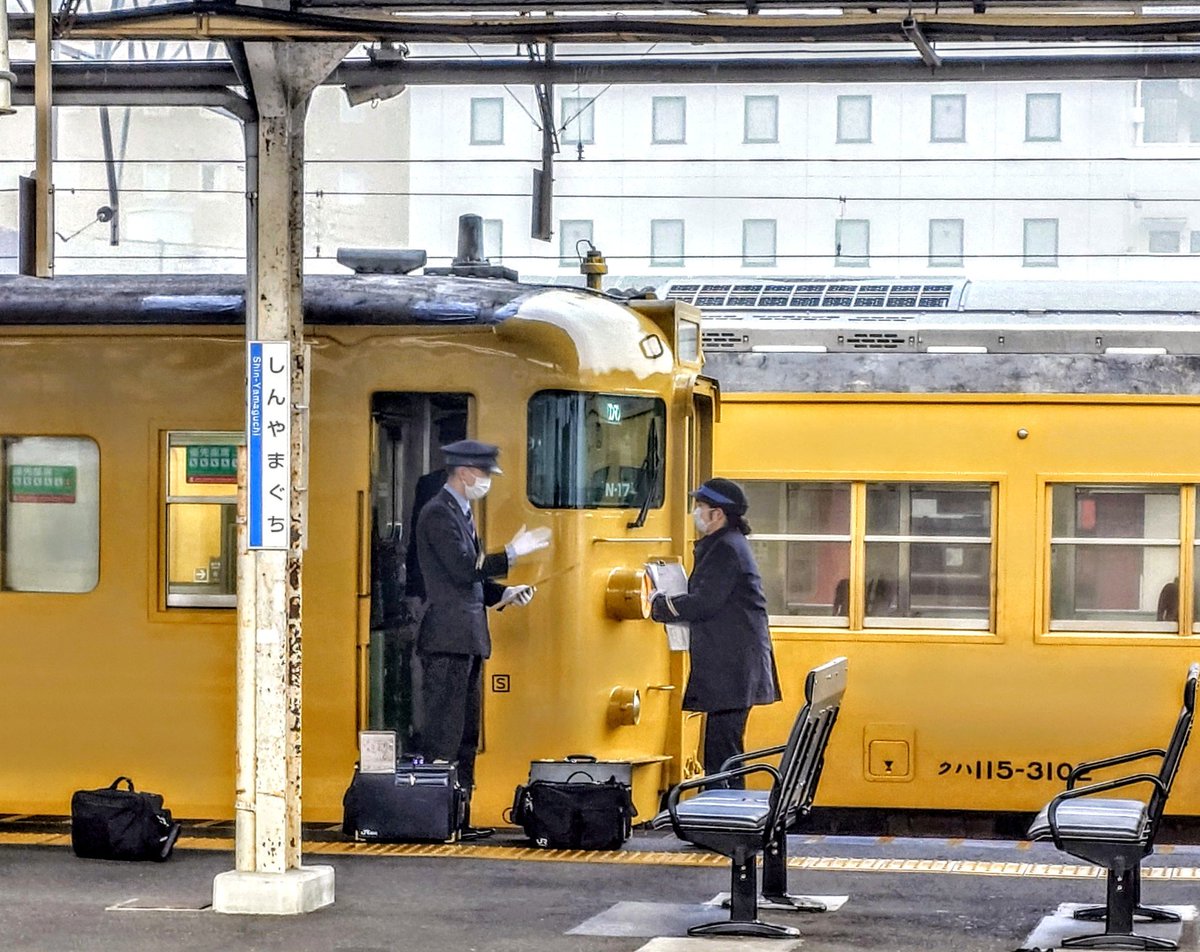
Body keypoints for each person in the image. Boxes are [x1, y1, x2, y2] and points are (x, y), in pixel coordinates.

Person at [415, 439, 551, 839]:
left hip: (466, 637)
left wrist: (503, 593)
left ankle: (459, 817)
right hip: (447, 638)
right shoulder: (438, 513)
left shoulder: (460, 512)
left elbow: (470, 582)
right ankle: (438, 819)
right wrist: (511, 553)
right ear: (465, 472)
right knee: (445, 732)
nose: (488, 481)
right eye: (486, 474)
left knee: (465, 733)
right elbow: (460, 569)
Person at [650, 477, 781, 788]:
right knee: (724, 751)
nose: (696, 513)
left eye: (700, 508)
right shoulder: (730, 544)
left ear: (717, 514)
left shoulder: (725, 548)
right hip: (735, 669)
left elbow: (705, 603)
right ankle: (724, 819)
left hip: (731, 669)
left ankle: (725, 822)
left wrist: (660, 605)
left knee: (722, 756)